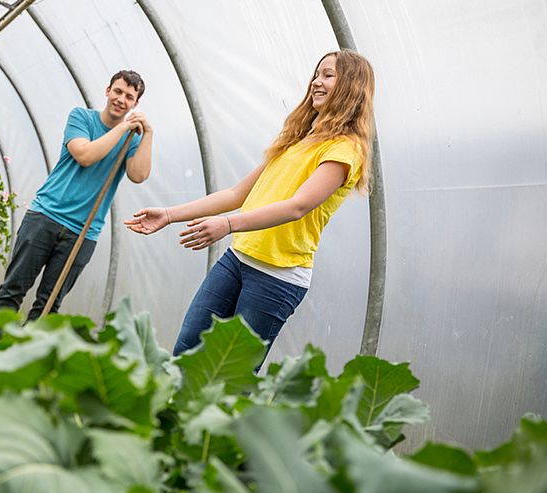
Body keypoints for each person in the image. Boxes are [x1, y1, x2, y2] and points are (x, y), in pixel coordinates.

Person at [126, 50, 374, 368]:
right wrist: (169, 215)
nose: (316, 82)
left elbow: (297, 207)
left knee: (233, 376)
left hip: (277, 278)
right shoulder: (297, 140)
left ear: (352, 87)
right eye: (316, 74)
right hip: (237, 260)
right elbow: (237, 193)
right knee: (186, 354)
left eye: (328, 75)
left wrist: (227, 225)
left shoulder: (344, 149)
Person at [0, 70, 154, 341]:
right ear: (107, 90)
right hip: (45, 216)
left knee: (49, 304)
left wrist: (148, 134)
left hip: (83, 232)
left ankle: (22, 358)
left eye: (130, 97)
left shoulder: (132, 141)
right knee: (14, 288)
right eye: (118, 91)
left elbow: (138, 175)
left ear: (135, 104)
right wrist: (122, 128)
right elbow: (85, 155)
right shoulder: (81, 117)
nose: (122, 99)